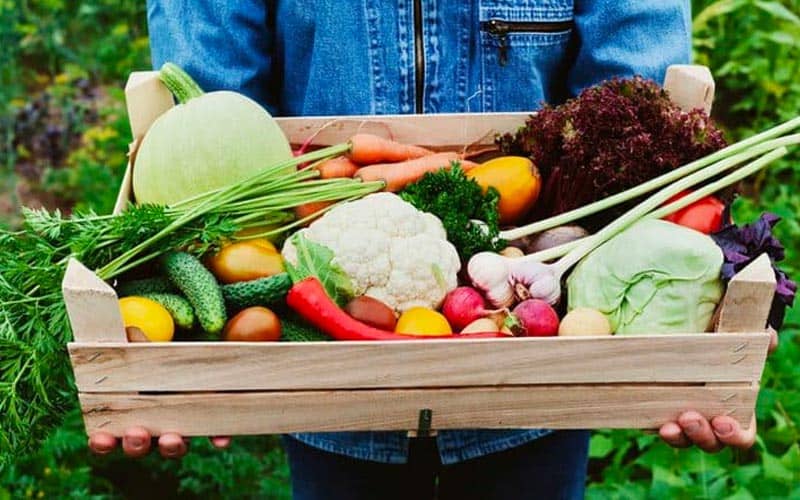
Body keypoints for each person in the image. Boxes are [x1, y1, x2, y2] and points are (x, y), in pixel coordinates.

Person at [90, 2, 773, 498]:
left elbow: (636, 101)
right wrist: (198, 375)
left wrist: (680, 358)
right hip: (323, 388)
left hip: (540, 383)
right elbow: (210, 102)